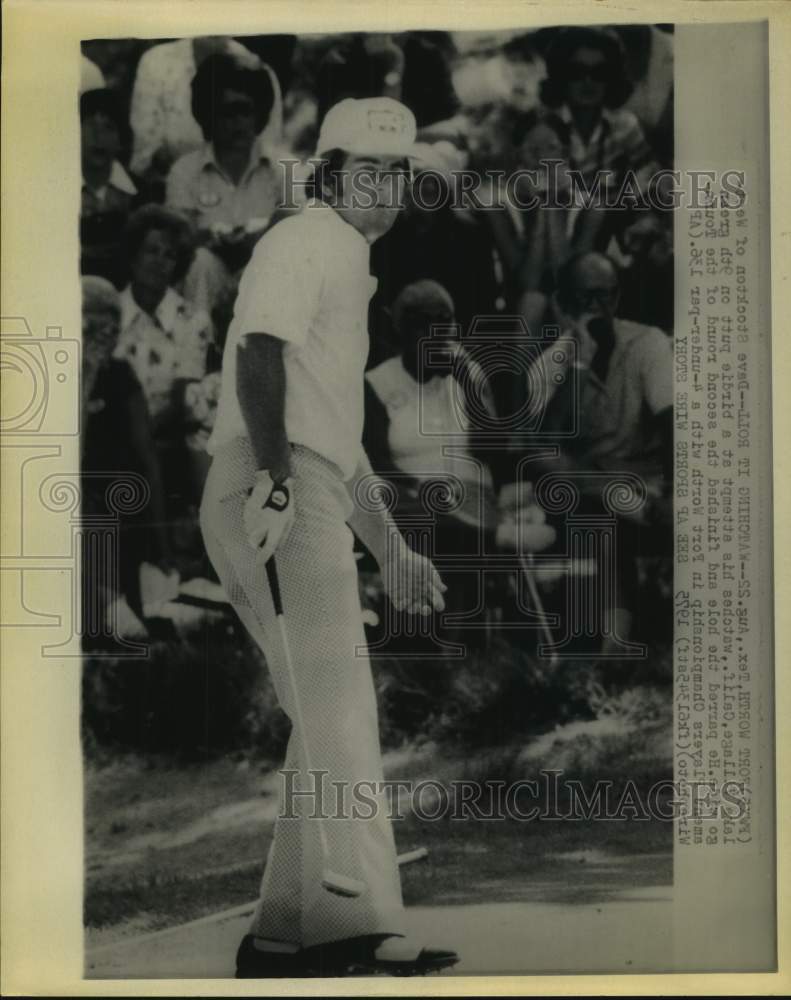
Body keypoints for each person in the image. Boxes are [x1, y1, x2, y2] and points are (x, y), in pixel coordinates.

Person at [200, 97, 459, 978]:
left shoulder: (343, 255)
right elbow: (256, 356)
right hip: (268, 481)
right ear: (329, 174)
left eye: (397, 174)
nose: (385, 188)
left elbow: (337, 442)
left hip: (297, 478)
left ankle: (282, 933)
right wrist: (273, 477)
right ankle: (359, 924)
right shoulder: (308, 240)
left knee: (322, 711)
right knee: (340, 703)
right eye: (369, 170)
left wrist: (392, 548)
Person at [521, 251, 673, 653]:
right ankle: (615, 642)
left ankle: (620, 638)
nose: (597, 308)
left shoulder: (648, 343)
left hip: (650, 480)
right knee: (564, 477)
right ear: (564, 304)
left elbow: (673, 423)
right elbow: (547, 444)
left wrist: (675, 492)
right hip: (588, 487)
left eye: (605, 297)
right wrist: (579, 360)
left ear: (618, 298)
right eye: (585, 298)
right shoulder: (549, 365)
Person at [81, 276, 173, 638]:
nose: (102, 334)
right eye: (91, 323)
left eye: (110, 324)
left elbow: (146, 454)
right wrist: (84, 377)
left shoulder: (120, 375)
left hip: (117, 501)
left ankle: (118, 611)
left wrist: (163, 545)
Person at [166, 53, 286, 313]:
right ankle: (200, 346)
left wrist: (258, 241)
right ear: (209, 115)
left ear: (259, 114)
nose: (238, 123)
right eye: (227, 113)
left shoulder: (284, 169)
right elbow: (178, 243)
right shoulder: (185, 171)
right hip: (206, 284)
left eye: (245, 111)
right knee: (200, 263)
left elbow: (298, 235)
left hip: (265, 284)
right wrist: (211, 239)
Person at [129, 36, 283, 180]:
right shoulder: (156, 62)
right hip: (169, 190)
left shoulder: (259, 70)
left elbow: (268, 155)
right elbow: (144, 160)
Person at [539, 26, 660, 197]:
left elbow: (649, 176)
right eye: (577, 72)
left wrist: (631, 202)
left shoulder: (625, 125)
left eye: (600, 73)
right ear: (561, 75)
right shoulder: (544, 128)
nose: (588, 82)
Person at [80, 89, 137, 286]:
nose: (98, 137)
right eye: (90, 126)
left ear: (121, 141)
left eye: (109, 127)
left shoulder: (141, 192)